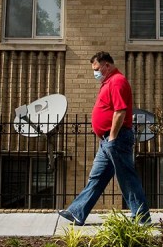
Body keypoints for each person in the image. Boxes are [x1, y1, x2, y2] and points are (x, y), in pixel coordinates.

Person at [58, 51, 151, 226]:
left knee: (127, 178)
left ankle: (142, 218)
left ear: (106, 65)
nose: (95, 73)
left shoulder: (117, 82)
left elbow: (120, 111)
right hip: (107, 140)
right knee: (97, 177)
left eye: (97, 68)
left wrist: (113, 137)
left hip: (116, 138)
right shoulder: (108, 82)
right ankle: (77, 212)